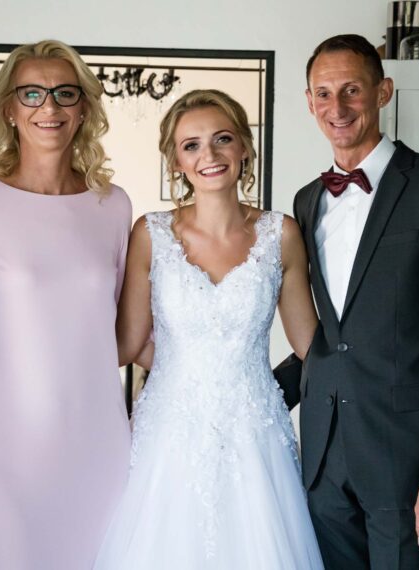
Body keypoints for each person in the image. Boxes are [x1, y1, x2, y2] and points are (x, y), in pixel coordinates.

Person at [94, 89, 323, 569]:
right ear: (175, 161)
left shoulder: (280, 234)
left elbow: (312, 347)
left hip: (256, 436)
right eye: (191, 145)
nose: (209, 155)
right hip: (170, 435)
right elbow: (128, 344)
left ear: (244, 147)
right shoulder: (151, 233)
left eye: (222, 139)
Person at [0, 40, 132, 569]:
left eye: (65, 93)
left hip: (95, 437)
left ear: (84, 108)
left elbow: (121, 330)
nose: (50, 107)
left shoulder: (113, 205)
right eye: (32, 93)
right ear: (8, 107)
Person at [296, 33, 419, 569]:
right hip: (324, 461)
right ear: (309, 102)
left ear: (383, 92)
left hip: (406, 462)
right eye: (324, 93)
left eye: (352, 90)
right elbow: (327, 338)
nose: (337, 107)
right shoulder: (307, 202)